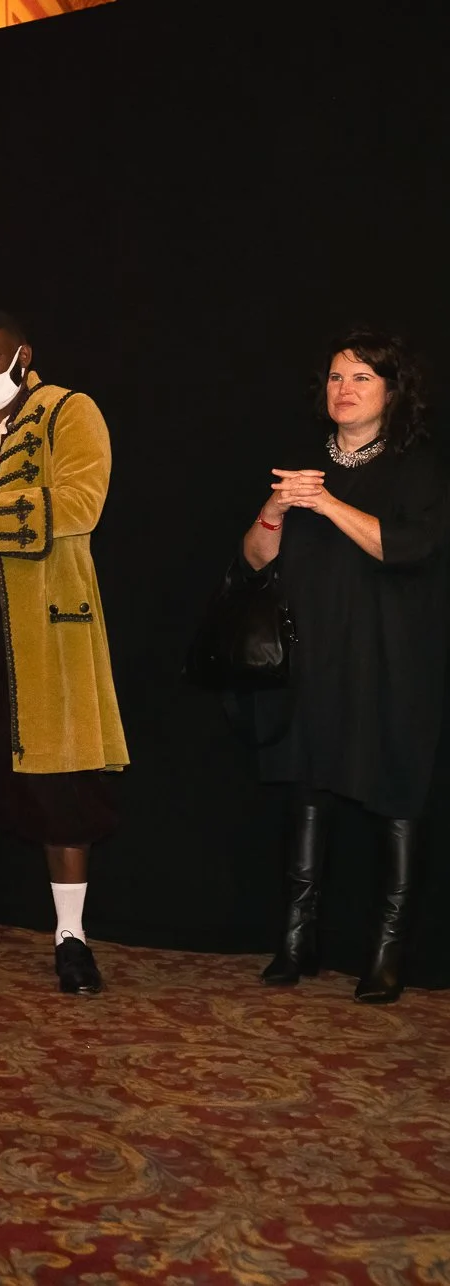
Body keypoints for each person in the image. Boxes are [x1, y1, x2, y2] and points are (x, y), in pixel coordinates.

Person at [0, 313, 128, 995]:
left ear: (23, 354)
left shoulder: (69, 410)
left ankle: (72, 938)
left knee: (60, 783)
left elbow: (79, 503)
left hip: (48, 628)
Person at [245, 328, 445, 1005]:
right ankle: (296, 944)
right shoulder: (301, 464)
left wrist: (325, 502)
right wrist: (276, 506)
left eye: (361, 377)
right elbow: (255, 560)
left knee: (393, 789)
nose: (345, 389)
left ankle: (385, 955)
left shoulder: (417, 467)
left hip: (391, 661)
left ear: (391, 391)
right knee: (306, 784)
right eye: (335, 377)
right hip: (314, 656)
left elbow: (405, 548)